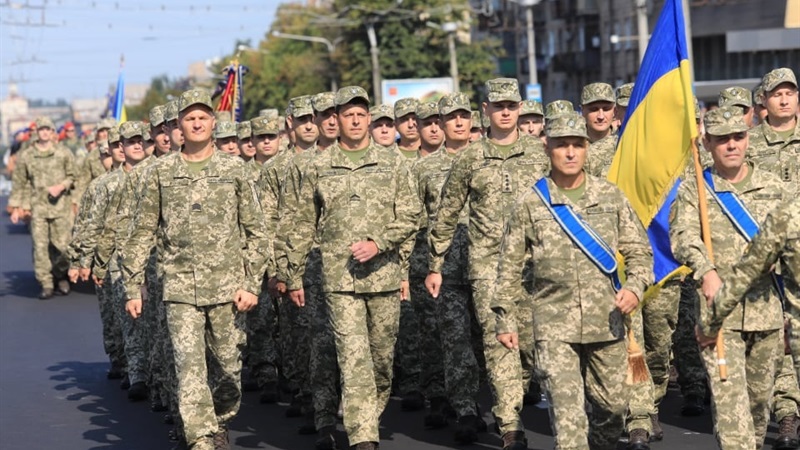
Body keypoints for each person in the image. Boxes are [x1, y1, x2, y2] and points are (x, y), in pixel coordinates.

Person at [492, 112, 652, 450]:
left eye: (577, 145)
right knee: (569, 420)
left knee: (612, 409)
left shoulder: (610, 196)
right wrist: (504, 319)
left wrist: (635, 288)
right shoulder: (531, 202)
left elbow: (640, 252)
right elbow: (508, 267)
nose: (569, 153)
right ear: (547, 148)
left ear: (586, 149)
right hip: (554, 326)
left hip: (607, 321)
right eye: (562, 145)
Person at [121, 88, 269, 450]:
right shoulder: (160, 172)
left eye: (203, 117)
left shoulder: (234, 170)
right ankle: (200, 437)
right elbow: (141, 231)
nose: (197, 123)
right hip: (179, 287)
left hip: (228, 288)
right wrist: (132, 286)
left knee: (227, 368)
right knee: (188, 367)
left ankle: (220, 419)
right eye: (190, 118)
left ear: (213, 123)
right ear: (179, 127)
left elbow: (258, 232)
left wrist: (251, 283)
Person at [283, 86, 421, 450]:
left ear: (369, 118)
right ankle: (363, 437)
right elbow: (301, 224)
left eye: (361, 113)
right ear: (336, 121)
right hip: (338, 278)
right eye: (348, 114)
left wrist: (379, 242)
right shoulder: (318, 166)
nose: (355, 120)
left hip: (384, 275)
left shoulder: (394, 163)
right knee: (352, 355)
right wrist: (292, 274)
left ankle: (366, 417)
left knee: (380, 359)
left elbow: (411, 214)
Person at [427, 78, 549, 450]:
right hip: (487, 265)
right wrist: (435, 262)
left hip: (533, 264)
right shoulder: (471, 157)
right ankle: (510, 422)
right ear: (487, 110)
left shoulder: (539, 154)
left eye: (512, 105)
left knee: (528, 344)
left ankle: (515, 394)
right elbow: (447, 213)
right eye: (499, 106)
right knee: (500, 342)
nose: (506, 111)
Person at [671, 106, 789, 449]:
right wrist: (705, 270)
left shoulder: (775, 187)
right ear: (707, 143)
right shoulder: (695, 189)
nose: (732, 145)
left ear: (747, 138)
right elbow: (682, 235)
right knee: (731, 412)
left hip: (768, 310)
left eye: (738, 137)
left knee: (757, 407)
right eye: (722, 139)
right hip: (718, 314)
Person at [411, 92, 483, 443]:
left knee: (488, 342)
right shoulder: (423, 168)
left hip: (488, 267)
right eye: (450, 117)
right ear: (438, 123)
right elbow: (412, 219)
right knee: (452, 339)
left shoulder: (488, 160)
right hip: (445, 267)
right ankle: (465, 408)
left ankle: (502, 407)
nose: (457, 122)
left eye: (463, 116)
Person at [10, 116, 76, 299]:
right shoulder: (27, 156)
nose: (45, 132)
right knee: (40, 247)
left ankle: (60, 274)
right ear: (36, 133)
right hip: (38, 208)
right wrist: (17, 207)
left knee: (63, 248)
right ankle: (46, 282)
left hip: (61, 208)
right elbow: (19, 182)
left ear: (53, 132)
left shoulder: (63, 153)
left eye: (48, 129)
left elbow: (73, 176)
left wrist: (61, 186)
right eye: (41, 129)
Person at [581, 82, 618, 178]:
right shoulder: (573, 146)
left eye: (606, 109)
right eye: (594, 109)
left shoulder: (623, 141)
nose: (601, 116)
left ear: (615, 111)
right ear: (583, 111)